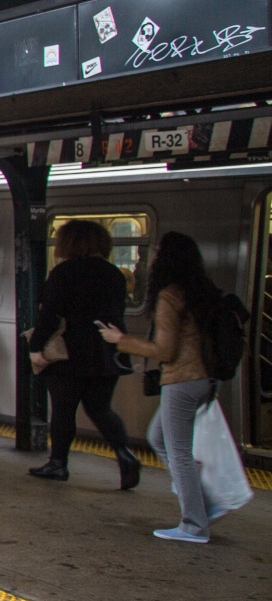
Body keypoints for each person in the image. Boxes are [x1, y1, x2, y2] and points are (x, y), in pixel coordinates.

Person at [99, 232, 221, 542]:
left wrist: (121, 341)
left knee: (178, 452)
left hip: (182, 379)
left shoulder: (169, 295)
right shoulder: (198, 290)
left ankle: (195, 524)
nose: (150, 258)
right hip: (202, 377)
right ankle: (201, 503)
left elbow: (165, 351)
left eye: (155, 253)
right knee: (159, 437)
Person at [26, 220, 139, 488]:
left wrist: (35, 348)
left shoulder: (64, 273)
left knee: (64, 410)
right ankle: (125, 453)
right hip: (106, 352)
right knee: (100, 408)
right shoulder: (114, 274)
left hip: (70, 353)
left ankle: (58, 463)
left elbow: (50, 316)